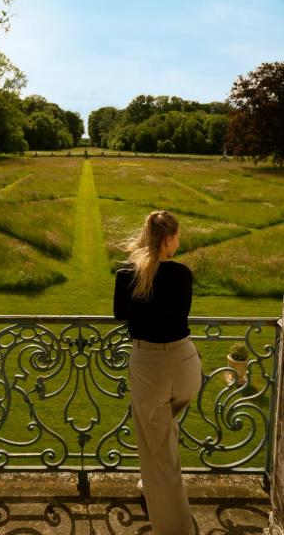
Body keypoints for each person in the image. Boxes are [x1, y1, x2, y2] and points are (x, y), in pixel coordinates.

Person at [113, 210, 201, 535]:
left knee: (160, 458)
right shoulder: (182, 274)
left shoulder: (127, 275)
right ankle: (147, 483)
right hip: (187, 366)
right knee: (163, 437)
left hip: (151, 368)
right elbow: (181, 312)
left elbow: (120, 313)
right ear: (168, 239)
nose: (179, 242)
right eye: (177, 237)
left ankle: (177, 529)